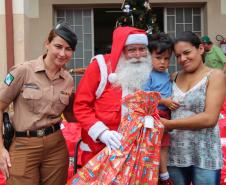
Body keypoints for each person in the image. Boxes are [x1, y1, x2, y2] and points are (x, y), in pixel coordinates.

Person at [68, 26, 164, 184]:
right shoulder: (99, 67)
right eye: (132, 50)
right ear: (121, 49)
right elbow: (81, 106)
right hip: (98, 153)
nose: (138, 55)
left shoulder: (145, 72)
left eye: (142, 49)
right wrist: (102, 133)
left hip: (132, 155)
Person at [0, 22, 77, 185]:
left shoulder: (68, 80)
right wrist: (0, 149)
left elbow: (72, 113)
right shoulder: (23, 71)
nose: (62, 53)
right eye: (58, 46)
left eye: (68, 49)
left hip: (56, 146)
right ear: (47, 44)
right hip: (24, 145)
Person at [161, 31, 226, 185]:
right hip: (175, 155)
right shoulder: (173, 76)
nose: (182, 59)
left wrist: (169, 125)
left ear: (201, 49)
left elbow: (209, 118)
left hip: (205, 154)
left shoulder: (215, 76)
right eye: (178, 56)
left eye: (187, 52)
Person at [143, 33, 180, 185]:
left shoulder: (166, 74)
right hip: (156, 115)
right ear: (149, 57)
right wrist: (164, 100)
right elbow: (145, 95)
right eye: (158, 58)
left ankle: (162, 173)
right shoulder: (148, 75)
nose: (163, 62)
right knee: (158, 146)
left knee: (165, 145)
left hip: (168, 115)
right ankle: (163, 175)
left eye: (166, 59)